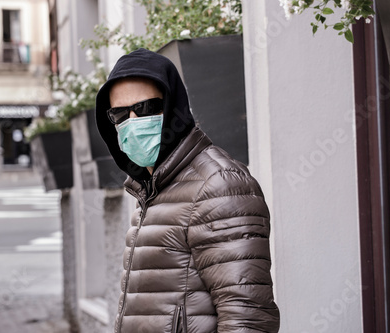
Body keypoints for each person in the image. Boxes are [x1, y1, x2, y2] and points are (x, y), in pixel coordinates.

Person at [96, 48, 280, 333]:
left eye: (145, 108)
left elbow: (248, 318)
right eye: (119, 114)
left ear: (172, 106)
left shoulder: (219, 184)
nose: (132, 122)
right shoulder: (152, 188)